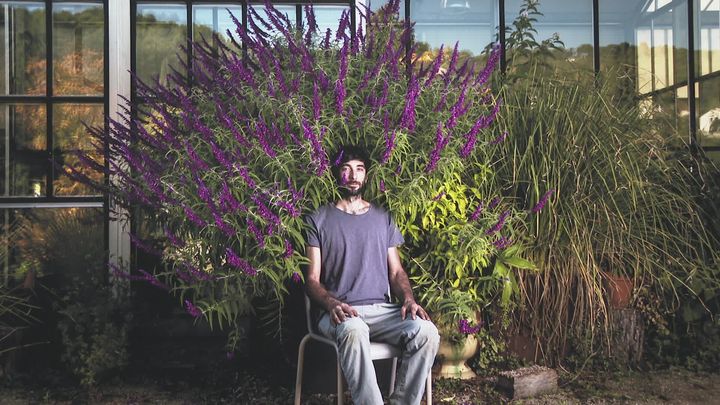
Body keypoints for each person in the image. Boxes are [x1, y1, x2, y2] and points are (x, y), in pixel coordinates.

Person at [304, 144, 440, 405]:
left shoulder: (383, 217)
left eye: (359, 169)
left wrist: (409, 299)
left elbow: (397, 271)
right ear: (336, 174)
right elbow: (311, 280)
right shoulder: (318, 219)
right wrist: (332, 303)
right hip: (340, 313)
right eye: (346, 169)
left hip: (383, 310)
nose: (353, 176)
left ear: (366, 175)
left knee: (427, 332)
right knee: (354, 329)